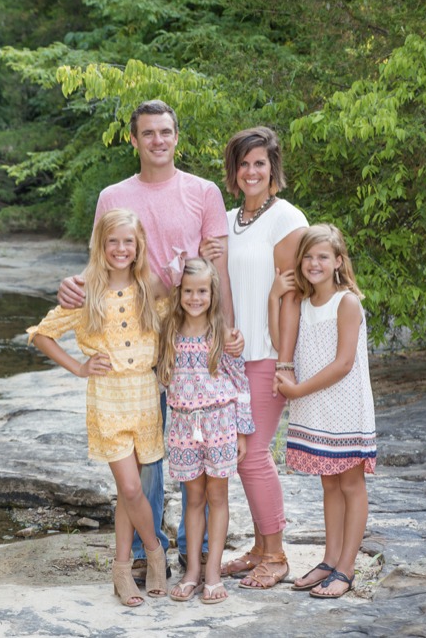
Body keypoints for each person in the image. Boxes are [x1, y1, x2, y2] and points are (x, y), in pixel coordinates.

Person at [59, 100, 239, 581]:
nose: (158, 140)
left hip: (190, 340)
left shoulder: (202, 193)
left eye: (165, 132)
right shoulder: (113, 196)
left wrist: (226, 331)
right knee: (146, 455)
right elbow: (100, 264)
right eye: (148, 133)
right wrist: (71, 287)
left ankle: (196, 550)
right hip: (132, 345)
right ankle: (145, 547)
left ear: (177, 136)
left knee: (197, 442)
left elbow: (216, 270)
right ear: (134, 140)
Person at [28, 209, 169, 606]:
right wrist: (79, 367)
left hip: (145, 396)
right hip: (108, 398)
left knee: (130, 492)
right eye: (113, 242)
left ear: (138, 246)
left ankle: (121, 570)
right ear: (101, 245)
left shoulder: (150, 287)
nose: (121, 249)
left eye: (128, 241)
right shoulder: (87, 290)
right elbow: (42, 334)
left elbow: (179, 319)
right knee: (130, 486)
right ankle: (155, 552)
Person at [201, 126, 308, 590]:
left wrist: (284, 360)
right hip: (231, 358)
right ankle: (261, 548)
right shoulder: (226, 220)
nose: (251, 171)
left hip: (267, 355)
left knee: (252, 453)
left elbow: (293, 296)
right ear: (233, 170)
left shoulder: (287, 219)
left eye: (259, 163)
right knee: (239, 453)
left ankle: (277, 554)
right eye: (243, 163)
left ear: (273, 168)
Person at [271, 224, 377, 599]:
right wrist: (274, 297)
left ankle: (347, 567)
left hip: (345, 406)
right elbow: (279, 343)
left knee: (350, 484)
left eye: (323, 256)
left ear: (338, 262)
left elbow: (344, 363)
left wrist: (296, 390)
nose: (314, 263)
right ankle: (330, 561)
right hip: (316, 407)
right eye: (308, 257)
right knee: (329, 483)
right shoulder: (302, 303)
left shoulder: (346, 303)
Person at [158, 258, 254, 604]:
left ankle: (213, 572)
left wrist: (242, 432)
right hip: (183, 425)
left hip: (220, 424)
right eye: (188, 291)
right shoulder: (169, 330)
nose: (195, 298)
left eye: (202, 291)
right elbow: (161, 377)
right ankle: (193, 572)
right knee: (193, 499)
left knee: (217, 498)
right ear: (179, 293)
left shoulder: (223, 335)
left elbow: (241, 383)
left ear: (213, 294)